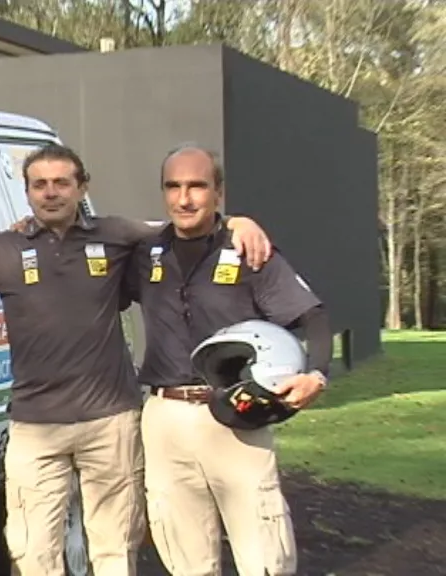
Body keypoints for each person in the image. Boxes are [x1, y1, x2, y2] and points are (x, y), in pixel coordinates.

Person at [0, 143, 272, 576]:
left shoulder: (117, 235)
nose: (51, 192)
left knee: (114, 548)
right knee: (33, 552)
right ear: (27, 191)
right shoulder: (1, 249)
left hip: (110, 420)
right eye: (39, 184)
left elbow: (187, 222)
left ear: (82, 187)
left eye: (61, 182)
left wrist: (239, 222)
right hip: (35, 427)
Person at [122, 142, 331, 576]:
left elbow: (312, 316)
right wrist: (26, 229)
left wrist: (316, 375)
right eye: (173, 186)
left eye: (197, 186)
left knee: (264, 556)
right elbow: (88, 233)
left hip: (235, 416)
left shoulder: (248, 249)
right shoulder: (144, 252)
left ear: (218, 191)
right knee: (184, 556)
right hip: (164, 418)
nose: (184, 198)